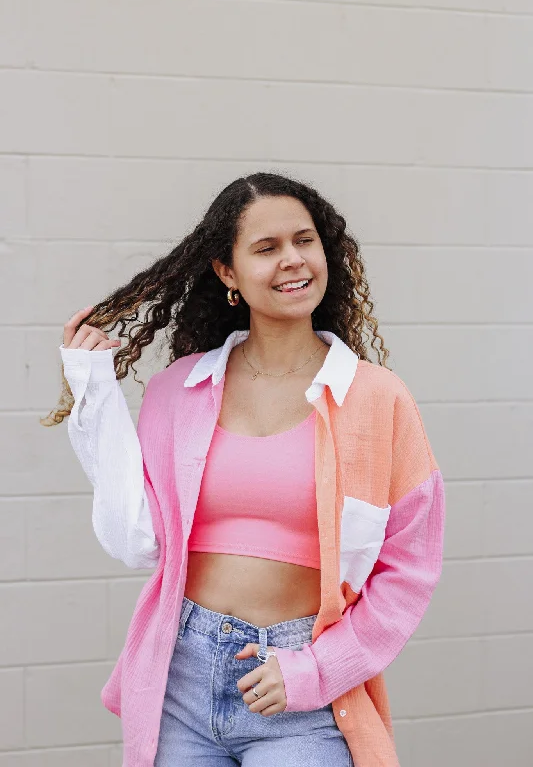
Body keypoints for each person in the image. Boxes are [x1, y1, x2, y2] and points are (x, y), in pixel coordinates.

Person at [43, 172, 445, 767]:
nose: (293, 260)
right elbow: (137, 536)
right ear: (226, 273)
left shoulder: (376, 399)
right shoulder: (178, 391)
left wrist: (314, 670)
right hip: (181, 679)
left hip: (300, 692)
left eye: (304, 241)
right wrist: (94, 390)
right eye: (266, 248)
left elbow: (408, 571)